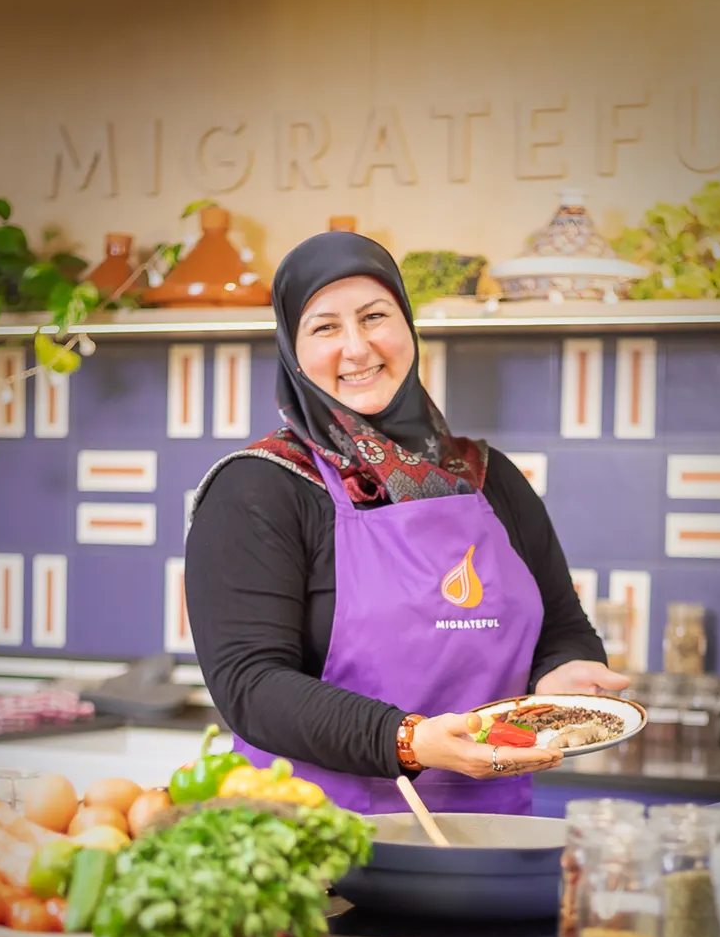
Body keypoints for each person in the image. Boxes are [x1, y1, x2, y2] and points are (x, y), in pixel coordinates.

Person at [185, 232, 626, 815]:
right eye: (325, 328)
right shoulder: (258, 488)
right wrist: (409, 741)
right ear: (292, 349)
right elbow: (250, 686)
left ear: (407, 327)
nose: (357, 347)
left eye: (374, 317)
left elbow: (561, 626)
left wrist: (564, 675)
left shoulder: (490, 477)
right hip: (313, 843)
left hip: (486, 833)